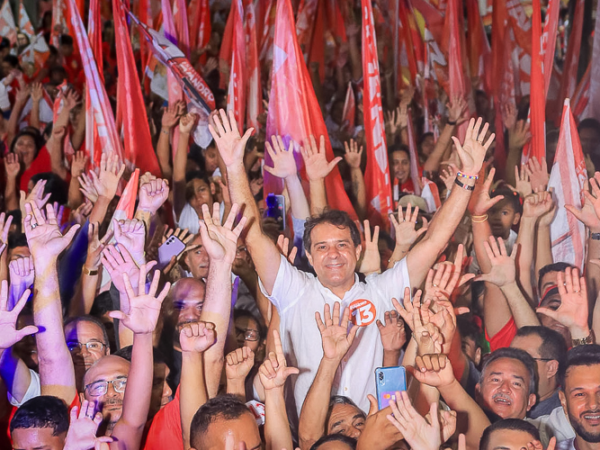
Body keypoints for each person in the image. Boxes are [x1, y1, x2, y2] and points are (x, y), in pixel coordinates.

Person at [213, 108, 493, 413]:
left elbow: (434, 241)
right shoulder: (293, 290)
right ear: (308, 255)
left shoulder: (381, 291)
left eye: (342, 245)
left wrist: (467, 178)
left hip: (371, 437)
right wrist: (233, 165)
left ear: (358, 251)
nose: (333, 254)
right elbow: (252, 235)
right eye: (321, 247)